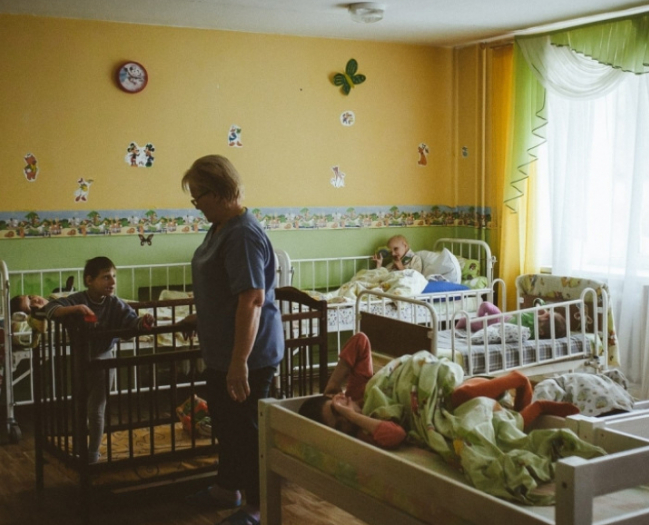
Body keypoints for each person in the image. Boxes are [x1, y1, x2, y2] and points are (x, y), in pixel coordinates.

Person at [178, 154, 284, 525]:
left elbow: (252, 298)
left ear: (221, 191)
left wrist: (239, 361)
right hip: (223, 350)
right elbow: (224, 287)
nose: (196, 205)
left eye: (199, 196)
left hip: (249, 355)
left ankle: (258, 505)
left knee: (246, 430)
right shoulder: (221, 227)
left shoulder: (242, 234)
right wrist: (203, 315)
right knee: (226, 424)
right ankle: (227, 488)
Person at [299, 332, 580, 447]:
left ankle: (519, 380)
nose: (345, 422)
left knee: (462, 395)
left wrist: (332, 387)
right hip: (434, 411)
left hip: (435, 386)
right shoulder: (362, 429)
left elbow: (360, 341)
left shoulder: (355, 391)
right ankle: (538, 407)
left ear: (338, 399)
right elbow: (395, 434)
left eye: (338, 413)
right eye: (340, 426)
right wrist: (353, 416)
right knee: (499, 432)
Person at [43, 257, 154, 464]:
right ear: (89, 280)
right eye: (105, 277)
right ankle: (78, 448)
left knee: (96, 409)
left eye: (113, 277)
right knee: (79, 405)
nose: (112, 281)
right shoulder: (78, 299)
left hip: (104, 360)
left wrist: (144, 322)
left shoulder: (115, 304)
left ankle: (93, 453)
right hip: (80, 359)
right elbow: (50, 308)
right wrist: (75, 309)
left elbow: (132, 324)